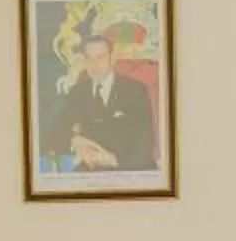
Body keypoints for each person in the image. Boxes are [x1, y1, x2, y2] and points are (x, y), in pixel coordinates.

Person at [44, 30, 157, 172]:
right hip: (90, 172)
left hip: (130, 169)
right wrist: (74, 142)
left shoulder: (135, 90)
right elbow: (50, 135)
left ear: (112, 57)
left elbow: (145, 142)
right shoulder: (77, 93)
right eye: (89, 58)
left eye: (100, 57)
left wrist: (115, 161)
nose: (94, 64)